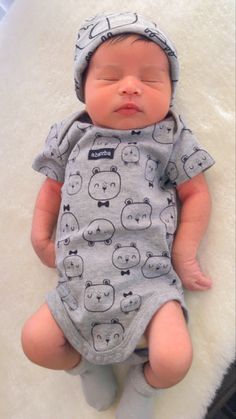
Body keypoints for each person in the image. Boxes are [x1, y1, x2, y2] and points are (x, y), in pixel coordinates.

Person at [21, 12, 215, 419]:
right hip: (77, 283)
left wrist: (184, 254)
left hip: (149, 281)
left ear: (170, 90)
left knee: (175, 359)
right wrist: (40, 236)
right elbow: (51, 188)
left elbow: (195, 192)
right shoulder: (72, 133)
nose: (130, 87)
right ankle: (85, 364)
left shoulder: (168, 134)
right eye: (110, 78)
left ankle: (144, 387)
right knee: (35, 342)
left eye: (151, 79)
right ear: (84, 88)